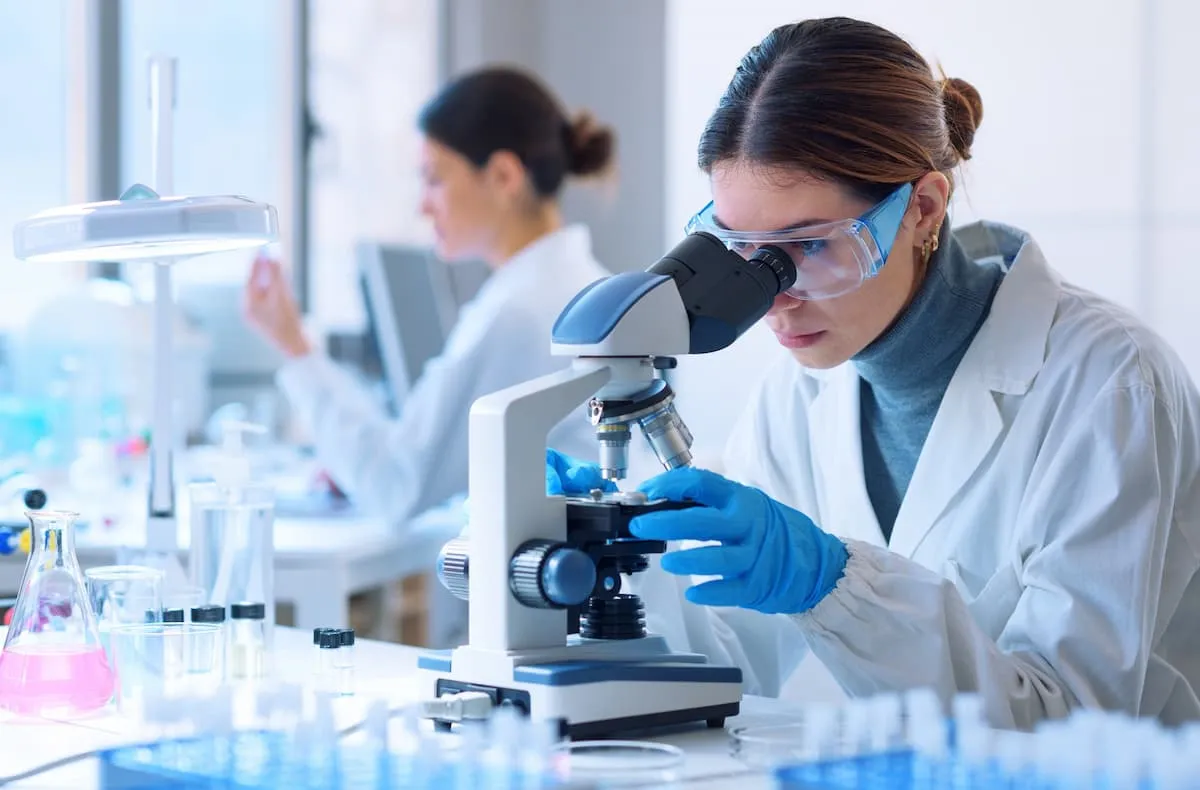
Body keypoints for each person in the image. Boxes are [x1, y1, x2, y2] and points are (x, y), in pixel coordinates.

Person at [547, 17, 1200, 730]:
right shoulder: (799, 395)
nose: (773, 295)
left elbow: (1071, 725)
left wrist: (836, 587)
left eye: (811, 246)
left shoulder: (1108, 384)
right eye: (741, 251)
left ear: (922, 208)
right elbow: (731, 672)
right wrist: (631, 559)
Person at [246, 66, 615, 529]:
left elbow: (395, 484)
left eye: (434, 179)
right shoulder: (574, 283)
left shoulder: (521, 310)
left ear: (502, 176)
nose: (423, 205)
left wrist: (294, 346)